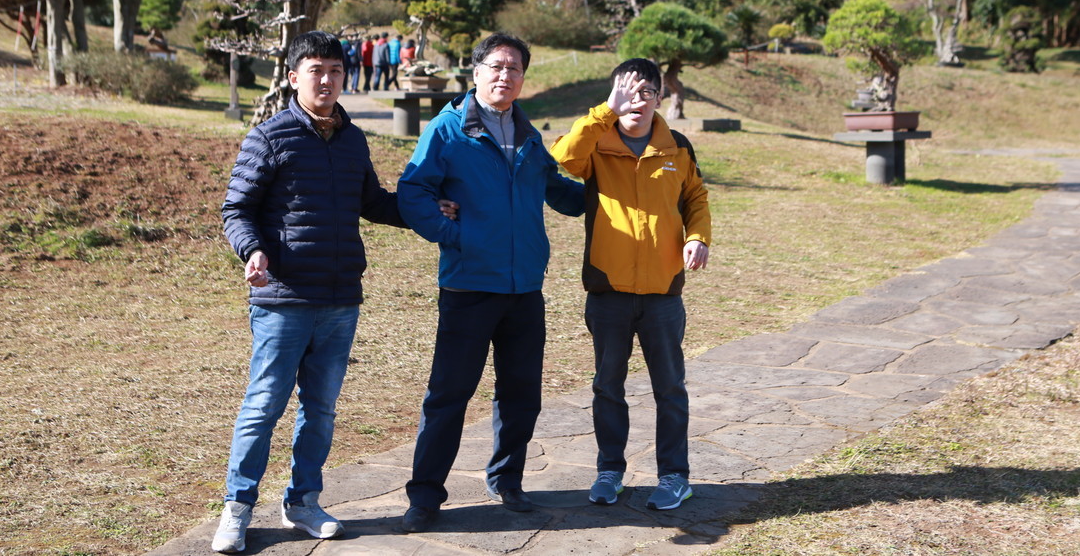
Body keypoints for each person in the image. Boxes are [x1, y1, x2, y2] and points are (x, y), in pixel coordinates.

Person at [213, 30, 454, 553]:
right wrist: (252, 250)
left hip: (341, 298)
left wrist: (424, 209)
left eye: (335, 71)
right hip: (283, 298)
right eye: (315, 70)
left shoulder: (353, 139)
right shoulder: (269, 137)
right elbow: (236, 208)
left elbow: (372, 202)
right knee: (263, 406)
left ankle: (303, 501)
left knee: (320, 410)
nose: (326, 80)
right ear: (293, 77)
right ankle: (237, 507)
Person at [396, 32, 585, 533]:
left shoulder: (529, 135)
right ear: (476, 72)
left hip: (524, 289)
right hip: (469, 286)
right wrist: (452, 236)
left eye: (514, 68)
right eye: (496, 66)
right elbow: (412, 191)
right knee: (448, 395)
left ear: (523, 78)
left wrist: (611, 187)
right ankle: (425, 497)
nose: (505, 75)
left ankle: (507, 479)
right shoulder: (448, 129)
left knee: (522, 393)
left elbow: (560, 193)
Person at [549, 58, 711, 512]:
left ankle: (675, 477)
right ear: (613, 95)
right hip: (608, 291)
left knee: (670, 388)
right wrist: (606, 111)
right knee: (608, 386)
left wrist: (698, 237)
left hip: (663, 293)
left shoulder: (677, 147)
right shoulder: (597, 143)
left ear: (660, 97)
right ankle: (609, 471)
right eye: (627, 92)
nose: (637, 101)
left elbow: (695, 198)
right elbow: (562, 157)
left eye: (646, 92)